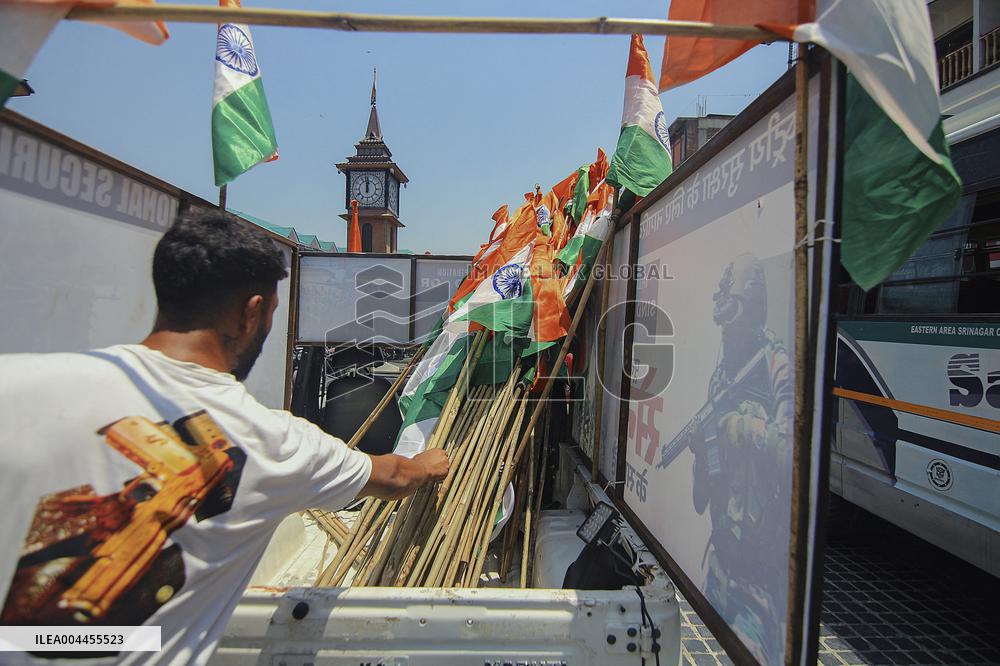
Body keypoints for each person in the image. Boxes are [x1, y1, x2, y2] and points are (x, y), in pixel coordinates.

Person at [0, 213, 449, 665]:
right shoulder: (272, 442)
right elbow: (393, 477)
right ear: (252, 312)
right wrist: (429, 463)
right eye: (272, 314)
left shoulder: (16, 383)